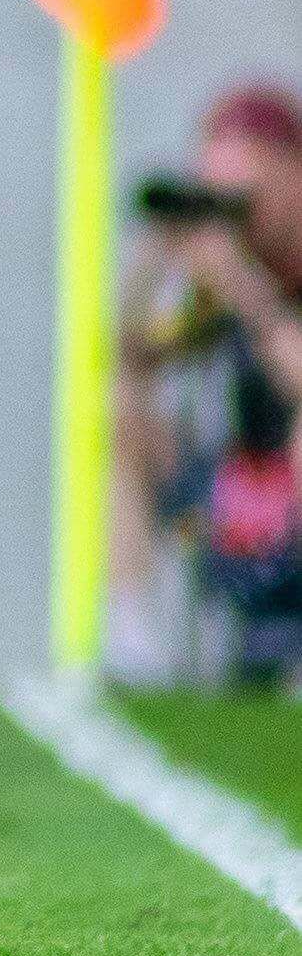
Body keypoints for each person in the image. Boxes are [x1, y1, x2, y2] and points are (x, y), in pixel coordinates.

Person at [118, 83, 302, 687]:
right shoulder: (225, 280)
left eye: (245, 196)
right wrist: (155, 261)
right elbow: (137, 357)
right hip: (243, 496)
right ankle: (132, 635)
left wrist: (249, 293)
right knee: (123, 415)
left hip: (289, 488)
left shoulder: (253, 282)